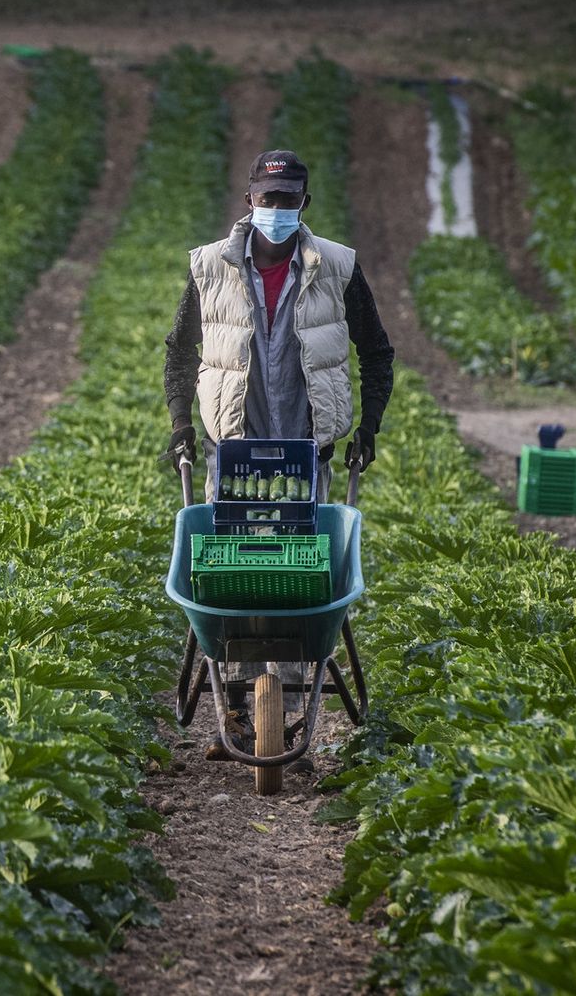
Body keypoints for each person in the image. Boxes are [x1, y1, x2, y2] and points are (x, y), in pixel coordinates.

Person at [162, 149, 395, 773]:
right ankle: (236, 702)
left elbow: (377, 352)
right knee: (235, 571)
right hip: (234, 452)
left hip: (306, 453)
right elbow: (180, 353)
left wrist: (367, 428)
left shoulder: (337, 268)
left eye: (289, 200)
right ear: (248, 203)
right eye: (268, 200)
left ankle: (291, 704)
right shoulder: (210, 267)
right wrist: (181, 426)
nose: (278, 210)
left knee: (300, 574)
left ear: (304, 206)